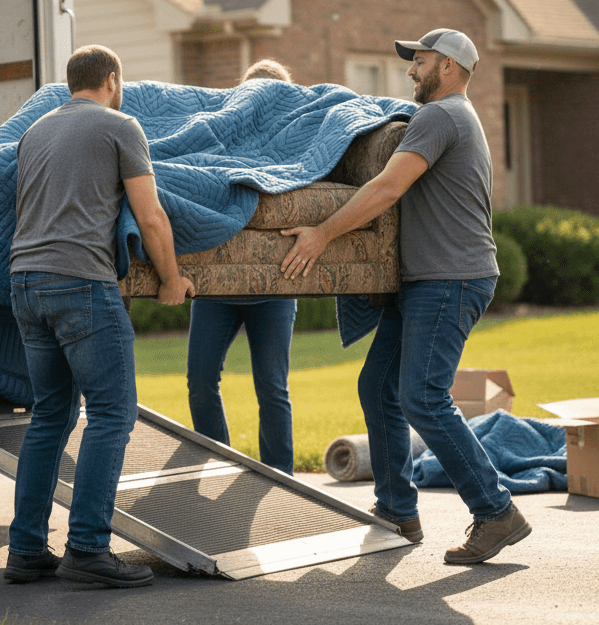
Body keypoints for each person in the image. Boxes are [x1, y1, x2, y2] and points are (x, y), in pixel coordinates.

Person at [278, 29, 530, 565]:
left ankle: (496, 511)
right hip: (428, 281)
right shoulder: (451, 117)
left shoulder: (441, 116)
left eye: (420, 61)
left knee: (423, 396)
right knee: (378, 386)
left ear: (449, 67)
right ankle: (397, 509)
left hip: (450, 279)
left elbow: (387, 187)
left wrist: (321, 234)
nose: (411, 70)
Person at [3, 45, 195, 588]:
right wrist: (172, 280)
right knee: (112, 412)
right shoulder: (120, 126)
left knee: (50, 416)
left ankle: (25, 550)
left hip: (24, 282)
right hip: (80, 282)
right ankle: (88, 549)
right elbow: (150, 216)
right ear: (111, 80)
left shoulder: (34, 132)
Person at [185, 59, 299, 475]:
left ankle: (281, 478)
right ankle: (220, 463)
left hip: (274, 287)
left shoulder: (295, 142)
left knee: (272, 388)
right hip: (216, 287)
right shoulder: (221, 135)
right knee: (200, 382)